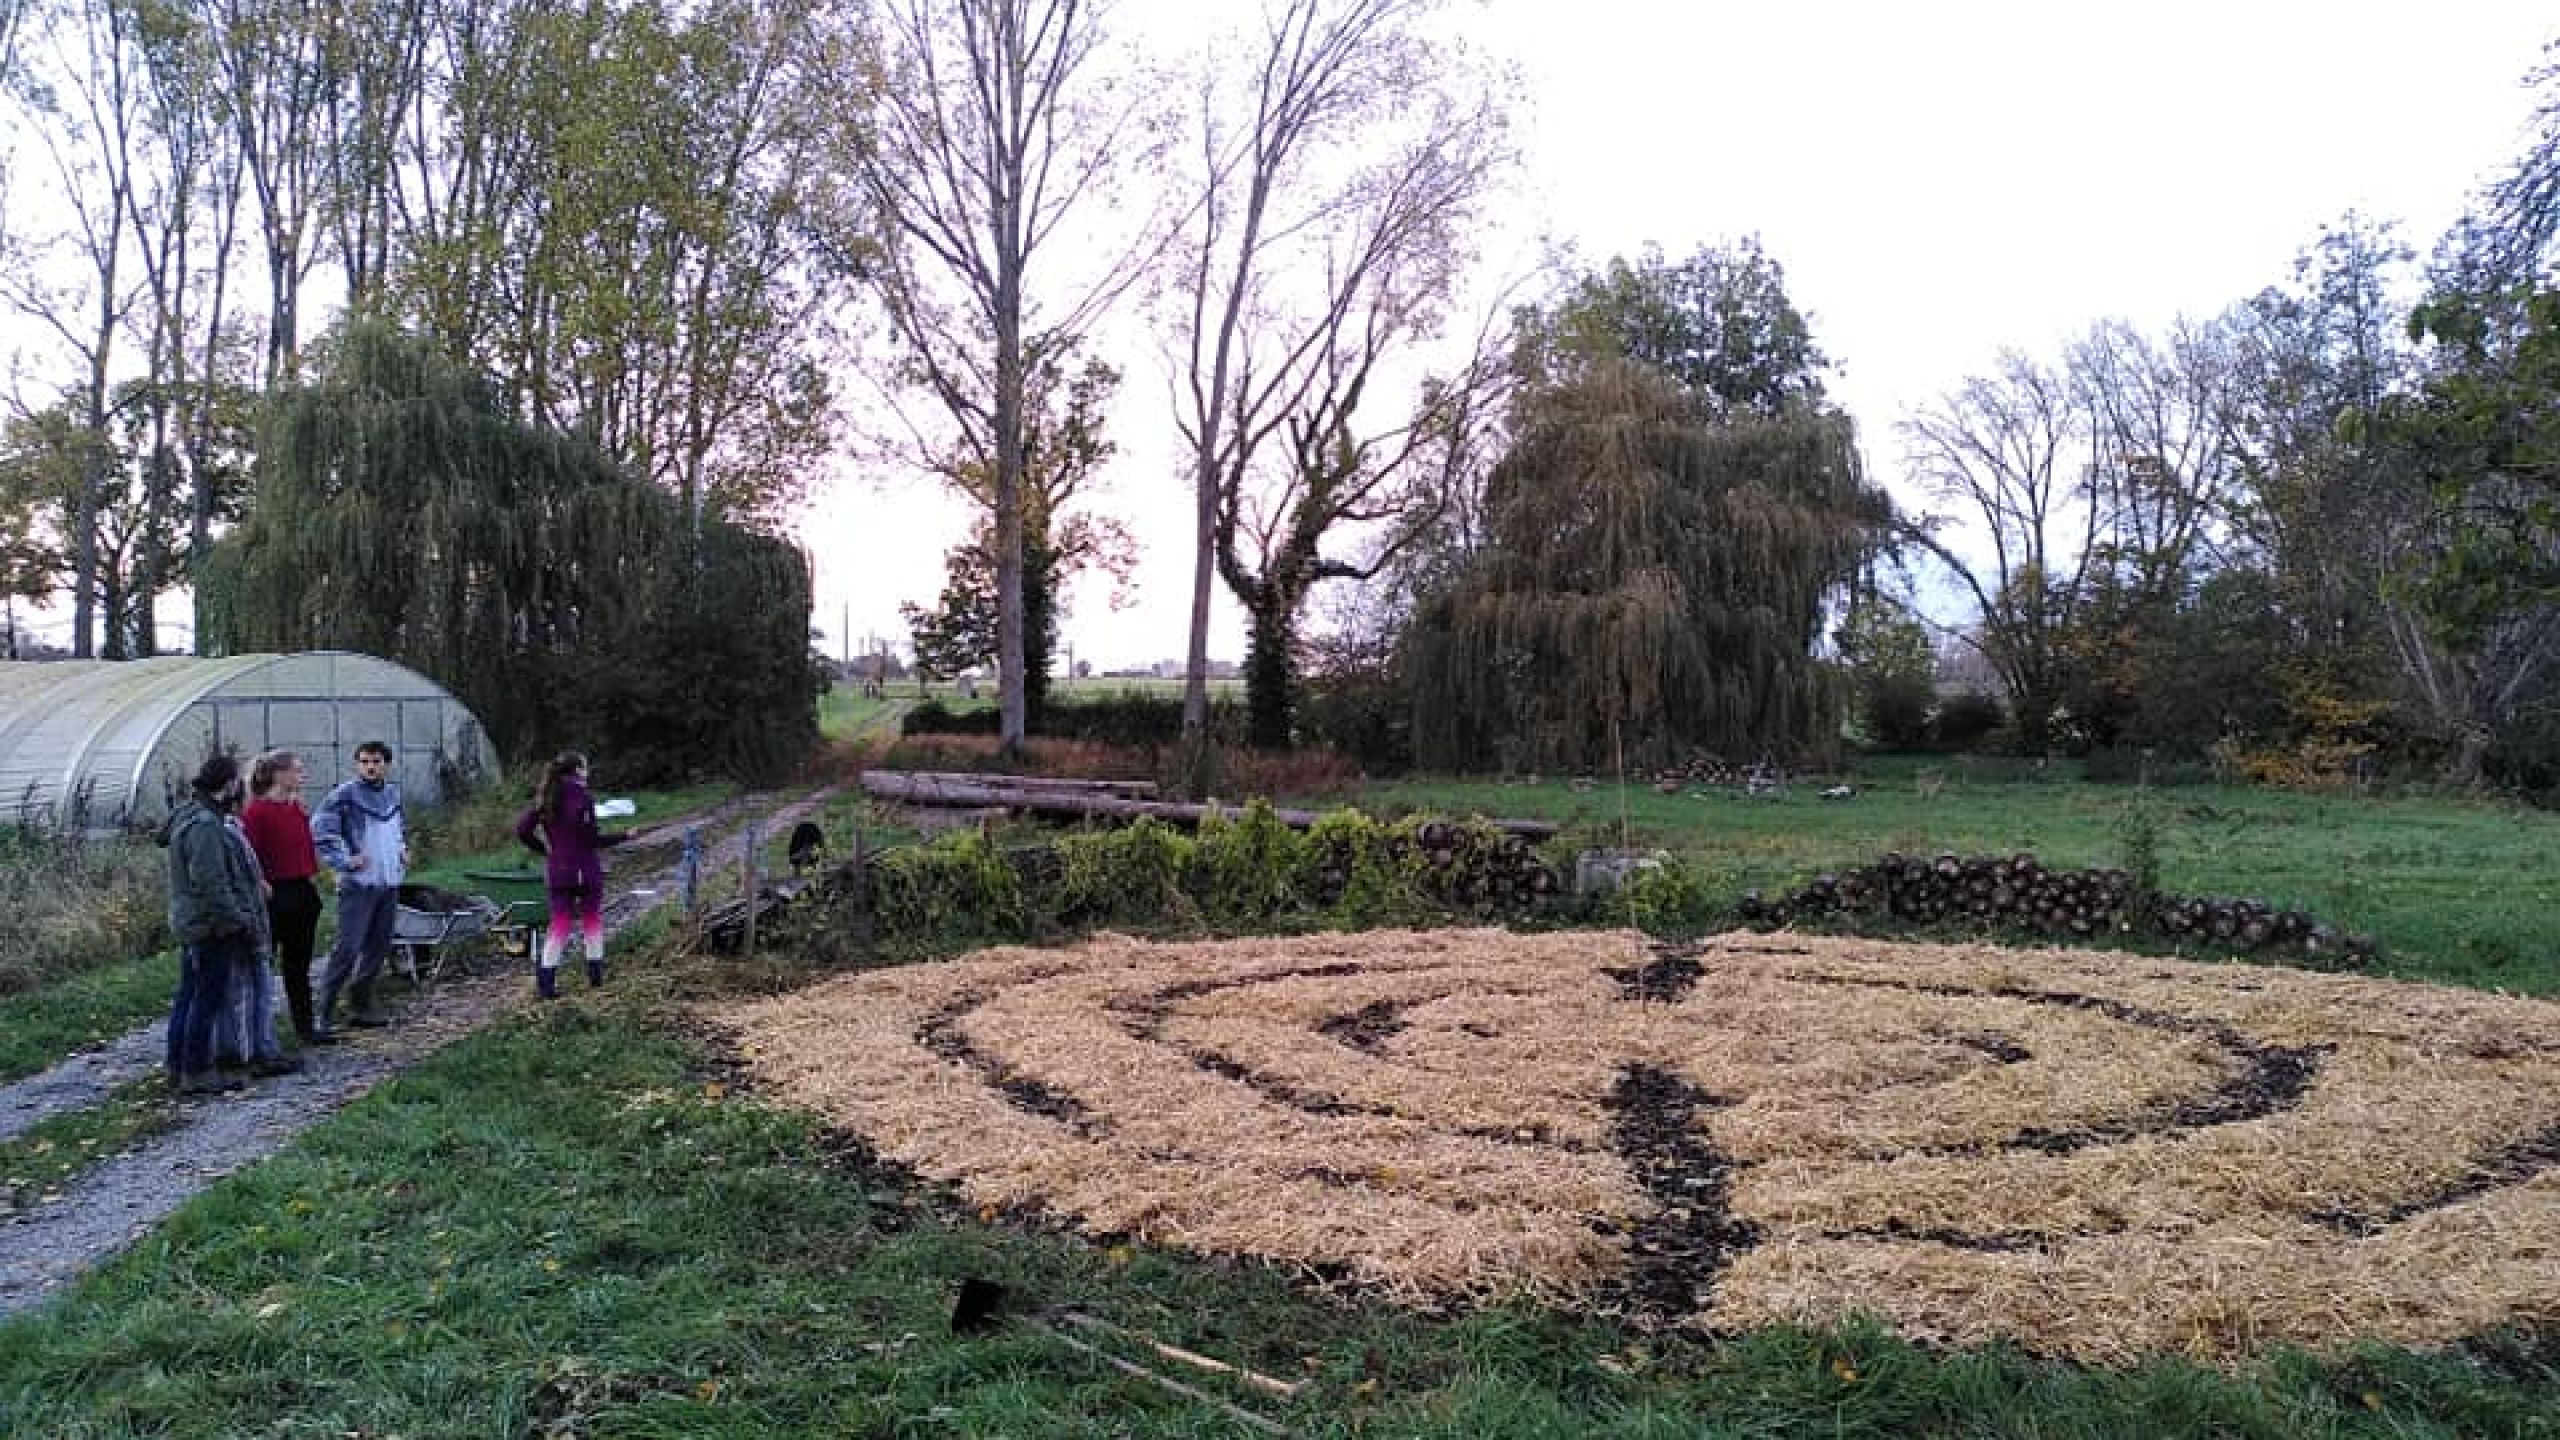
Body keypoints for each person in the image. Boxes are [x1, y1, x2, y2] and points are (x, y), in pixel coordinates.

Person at [161, 755, 262, 1095]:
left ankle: (178, 1066)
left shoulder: (189, 815)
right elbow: (211, 883)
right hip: (208, 926)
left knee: (189, 995)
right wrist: (235, 922)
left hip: (192, 921)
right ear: (229, 785)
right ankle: (196, 1069)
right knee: (205, 998)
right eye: (239, 781)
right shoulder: (206, 826)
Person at [515, 751, 631, 998]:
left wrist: (544, 849)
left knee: (559, 923)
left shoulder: (546, 797)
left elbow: (522, 830)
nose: (588, 772)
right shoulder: (582, 798)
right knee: (591, 919)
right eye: (586, 767)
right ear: (577, 770)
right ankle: (596, 979)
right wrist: (625, 836)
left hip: (557, 870)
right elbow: (592, 840)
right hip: (584, 870)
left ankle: (546, 984)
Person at [311, 740, 409, 1030]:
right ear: (357, 765)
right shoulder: (344, 795)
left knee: (379, 946)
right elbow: (321, 829)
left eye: (376, 761)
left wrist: (403, 850)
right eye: (364, 762)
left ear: (386, 764)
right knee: (348, 948)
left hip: (388, 881)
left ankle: (361, 1006)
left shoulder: (392, 794)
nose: (370, 767)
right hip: (358, 885)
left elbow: (399, 828)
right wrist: (344, 860)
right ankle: (323, 1011)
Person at [242, 749, 330, 1046]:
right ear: (278, 775)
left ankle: (305, 1026)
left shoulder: (297, 808)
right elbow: (249, 854)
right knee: (263, 964)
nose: (302, 776)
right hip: (275, 894)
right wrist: (260, 883)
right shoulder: (257, 812)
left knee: (299, 965)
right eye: (297, 770)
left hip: (302, 890)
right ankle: (258, 1034)